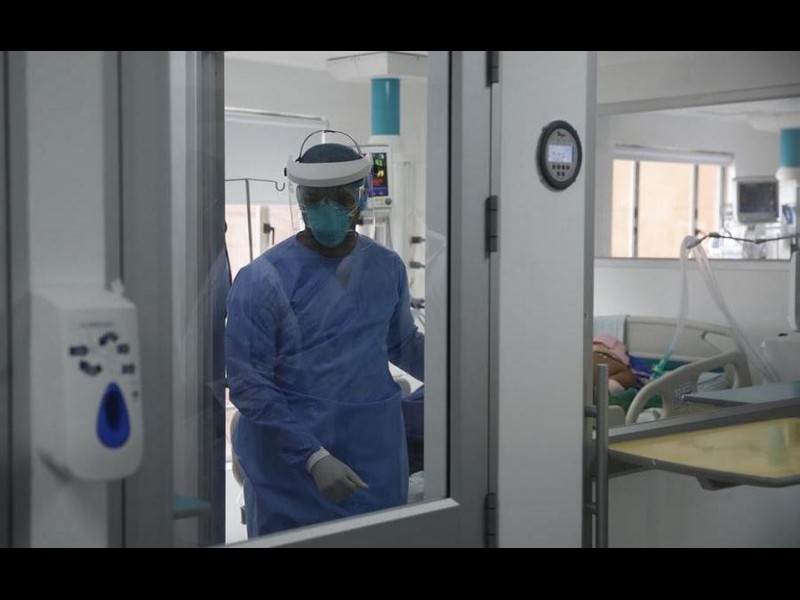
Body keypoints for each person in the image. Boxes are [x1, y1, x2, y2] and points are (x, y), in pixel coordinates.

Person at [225, 130, 425, 537]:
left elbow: (402, 343)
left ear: (361, 198)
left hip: (375, 455)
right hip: (291, 467)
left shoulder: (385, 267)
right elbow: (249, 384)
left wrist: (466, 375)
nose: (327, 210)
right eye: (314, 200)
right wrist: (312, 457)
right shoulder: (262, 279)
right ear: (299, 200)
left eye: (341, 199)